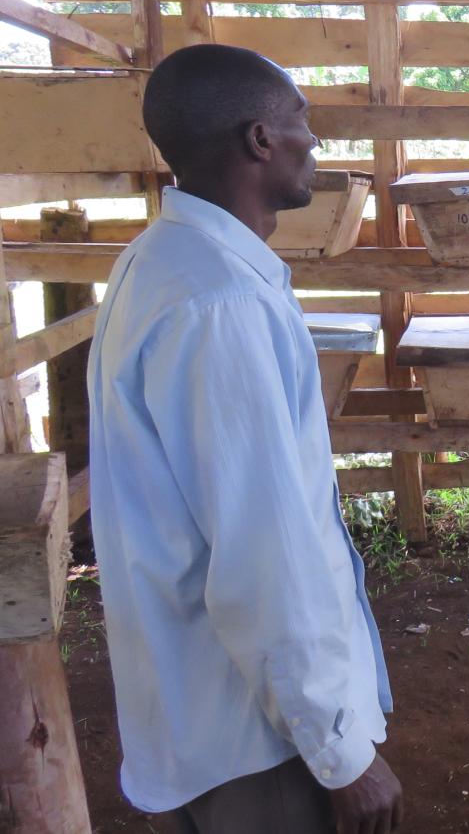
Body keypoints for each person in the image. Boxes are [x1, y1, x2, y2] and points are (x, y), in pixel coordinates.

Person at [87, 44, 402, 834]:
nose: (314, 142)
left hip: (193, 713)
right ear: (260, 139)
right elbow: (264, 555)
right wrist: (340, 749)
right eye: (300, 120)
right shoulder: (219, 304)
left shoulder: (161, 262)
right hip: (253, 742)